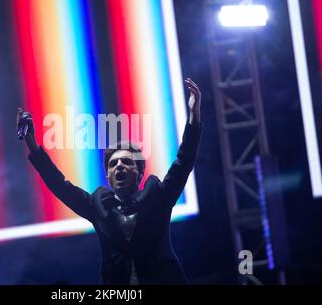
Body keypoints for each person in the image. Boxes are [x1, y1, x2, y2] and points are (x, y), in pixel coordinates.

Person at [17, 78, 202, 284]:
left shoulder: (157, 195)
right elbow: (59, 185)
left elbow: (183, 162)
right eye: (113, 164)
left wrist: (194, 116)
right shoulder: (97, 205)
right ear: (108, 176)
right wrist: (32, 143)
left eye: (126, 162)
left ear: (140, 173)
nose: (119, 166)